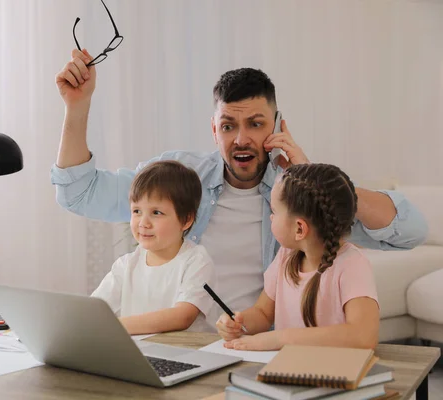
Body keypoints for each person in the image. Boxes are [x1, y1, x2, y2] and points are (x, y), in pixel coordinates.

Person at [51, 49, 427, 328]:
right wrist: (77, 105)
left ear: (278, 124)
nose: (242, 139)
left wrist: (314, 178)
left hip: (256, 343)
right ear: (214, 130)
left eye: (256, 124)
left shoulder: (296, 192)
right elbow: (79, 192)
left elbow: (409, 232)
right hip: (179, 340)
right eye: (229, 126)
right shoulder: (181, 176)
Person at [216, 163, 379, 350]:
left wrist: (281, 338)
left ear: (299, 228)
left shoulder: (352, 265)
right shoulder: (287, 256)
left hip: (333, 373)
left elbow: (363, 337)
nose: (270, 217)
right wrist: (239, 324)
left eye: (274, 212)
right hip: (286, 369)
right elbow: (262, 313)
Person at [91, 160, 214, 334]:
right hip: (140, 353)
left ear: (186, 220)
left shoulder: (196, 261)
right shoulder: (126, 265)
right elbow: (95, 310)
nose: (143, 223)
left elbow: (182, 316)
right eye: (136, 211)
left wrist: (114, 326)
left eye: (156, 213)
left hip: (186, 351)